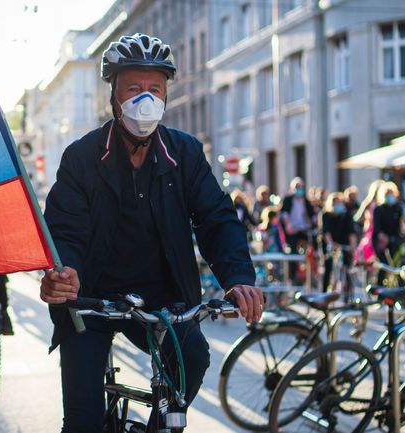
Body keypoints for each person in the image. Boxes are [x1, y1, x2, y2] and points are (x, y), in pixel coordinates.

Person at [38, 33, 262, 433]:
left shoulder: (186, 153)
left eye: (154, 90)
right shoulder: (81, 157)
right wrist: (64, 272)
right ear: (114, 95)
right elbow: (64, 228)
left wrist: (239, 278)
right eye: (134, 89)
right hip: (91, 299)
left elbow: (217, 218)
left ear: (166, 95)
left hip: (164, 299)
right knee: (83, 421)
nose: (146, 99)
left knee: (193, 356)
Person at [321, 193, 356, 294]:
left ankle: (348, 294)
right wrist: (331, 244)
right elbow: (326, 232)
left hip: (344, 244)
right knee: (328, 267)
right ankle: (324, 293)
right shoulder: (326, 215)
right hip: (330, 244)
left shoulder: (347, 216)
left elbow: (351, 232)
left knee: (347, 267)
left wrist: (352, 246)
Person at [372, 182, 405, 282]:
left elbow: (399, 226)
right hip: (380, 239)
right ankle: (379, 287)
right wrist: (382, 237)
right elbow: (377, 226)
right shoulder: (378, 209)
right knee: (383, 264)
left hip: (393, 238)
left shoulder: (398, 208)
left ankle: (400, 286)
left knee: (398, 263)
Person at [281, 177, 316, 254]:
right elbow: (284, 214)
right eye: (297, 187)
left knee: (310, 249)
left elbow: (312, 215)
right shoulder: (288, 199)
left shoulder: (306, 201)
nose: (300, 189)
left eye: (301, 187)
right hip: (293, 230)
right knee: (293, 250)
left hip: (304, 229)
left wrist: (313, 222)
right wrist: (288, 226)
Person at [353, 179, 384, 264]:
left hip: (377, 231)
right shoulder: (370, 203)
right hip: (371, 231)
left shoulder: (380, 204)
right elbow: (358, 218)